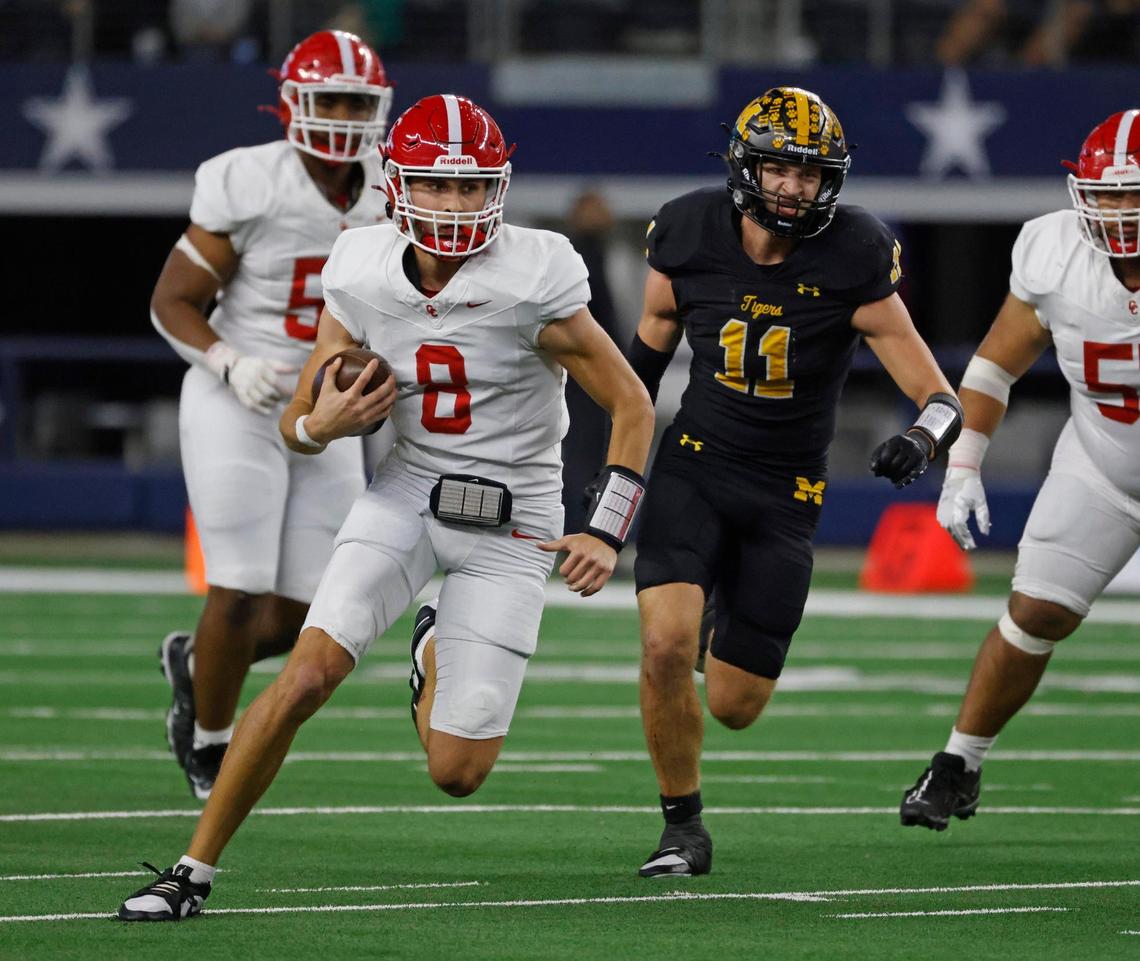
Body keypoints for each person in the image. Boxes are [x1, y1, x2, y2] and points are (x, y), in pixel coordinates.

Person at [116, 93, 655, 921]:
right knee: (305, 675)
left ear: (498, 189)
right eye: (436, 188)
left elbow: (631, 405)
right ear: (397, 186)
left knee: (457, 771)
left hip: (515, 522)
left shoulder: (536, 273)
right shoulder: (361, 266)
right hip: (405, 491)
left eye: (472, 188)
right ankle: (191, 870)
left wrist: (607, 526)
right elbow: (303, 420)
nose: (454, 205)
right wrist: (316, 423)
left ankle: (430, 635)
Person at [625, 86, 963, 877]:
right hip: (696, 464)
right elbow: (636, 370)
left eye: (809, 174)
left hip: (786, 492)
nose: (792, 187)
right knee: (664, 643)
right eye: (779, 167)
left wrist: (921, 439)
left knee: (736, 705)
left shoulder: (853, 253)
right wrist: (611, 465)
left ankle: (716, 609)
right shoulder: (687, 230)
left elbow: (940, 397)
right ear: (747, 165)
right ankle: (683, 828)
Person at [149, 29, 394, 800]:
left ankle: (196, 664)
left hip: (330, 411)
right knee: (241, 583)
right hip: (243, 395)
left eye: (359, 101)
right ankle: (212, 742)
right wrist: (228, 360)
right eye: (332, 99)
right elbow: (173, 301)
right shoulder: (249, 181)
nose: (347, 116)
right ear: (292, 102)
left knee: (313, 608)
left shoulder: (396, 186)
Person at [900, 109, 1140, 831]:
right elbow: (997, 365)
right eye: (1105, 193)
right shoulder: (1055, 250)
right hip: (1105, 464)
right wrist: (964, 462)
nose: (1117, 210)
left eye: (1133, 194)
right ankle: (959, 761)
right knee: (1035, 609)